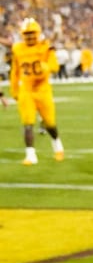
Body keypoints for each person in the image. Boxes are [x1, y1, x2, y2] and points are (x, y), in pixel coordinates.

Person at [11, 18, 65, 164]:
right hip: (26, 90)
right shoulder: (18, 49)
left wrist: (46, 67)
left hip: (43, 90)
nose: (29, 36)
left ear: (38, 33)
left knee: (49, 124)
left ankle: (57, 146)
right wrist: (14, 89)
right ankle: (30, 155)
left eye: (32, 33)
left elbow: (54, 66)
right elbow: (15, 71)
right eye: (27, 33)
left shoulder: (45, 47)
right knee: (27, 123)